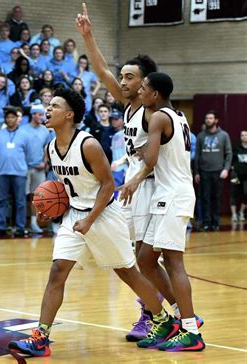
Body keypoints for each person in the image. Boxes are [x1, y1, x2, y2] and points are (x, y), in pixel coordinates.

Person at [8, 88, 170, 357]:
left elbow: (108, 186)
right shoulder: (50, 147)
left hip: (104, 214)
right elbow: (61, 187)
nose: (48, 110)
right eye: (48, 106)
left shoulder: (88, 144)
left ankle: (164, 321)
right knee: (58, 271)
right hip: (75, 215)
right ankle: (41, 337)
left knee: (127, 272)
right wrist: (46, 210)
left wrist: (89, 220)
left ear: (69, 115)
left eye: (55, 106)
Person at [76, 3, 167, 342]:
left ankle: (166, 316)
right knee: (127, 256)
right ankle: (155, 313)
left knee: (145, 260)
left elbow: (156, 156)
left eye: (130, 77)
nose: (123, 82)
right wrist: (88, 36)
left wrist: (138, 175)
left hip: (150, 189)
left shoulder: (152, 111)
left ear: (146, 83)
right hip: (130, 190)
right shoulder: (130, 106)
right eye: (124, 76)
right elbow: (102, 73)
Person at [125, 72, 205, 351]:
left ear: (155, 94)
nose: (140, 92)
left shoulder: (158, 118)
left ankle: (191, 330)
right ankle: (177, 319)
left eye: (144, 88)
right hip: (166, 195)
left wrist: (140, 153)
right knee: (145, 259)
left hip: (174, 195)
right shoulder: (179, 116)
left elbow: (150, 158)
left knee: (174, 263)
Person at [0, 107, 32, 238]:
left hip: (19, 172)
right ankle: (1, 226)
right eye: (8, 117)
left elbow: (28, 153)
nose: (10, 119)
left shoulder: (24, 134)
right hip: (2, 172)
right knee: (1, 200)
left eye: (13, 117)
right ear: (5, 119)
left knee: (20, 201)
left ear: (17, 119)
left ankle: (20, 227)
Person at [194, 110, 232, 231]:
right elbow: (197, 156)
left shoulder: (223, 135)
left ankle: (216, 222)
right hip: (204, 172)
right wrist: (196, 172)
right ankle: (206, 222)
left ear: (216, 120)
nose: (208, 120)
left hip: (218, 172)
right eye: (207, 118)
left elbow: (229, 153)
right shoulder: (200, 136)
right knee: (205, 198)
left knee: (216, 198)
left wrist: (226, 169)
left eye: (210, 118)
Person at [21, 100, 51, 234]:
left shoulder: (45, 131)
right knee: (22, 197)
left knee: (36, 197)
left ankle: (34, 223)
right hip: (24, 168)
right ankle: (21, 224)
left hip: (39, 168)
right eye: (39, 114)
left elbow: (47, 148)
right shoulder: (22, 130)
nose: (42, 117)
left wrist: (44, 163)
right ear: (33, 115)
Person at [230, 130, 247, 222]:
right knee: (234, 193)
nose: (244, 136)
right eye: (242, 135)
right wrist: (232, 167)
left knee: (246, 193)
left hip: (246, 176)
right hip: (235, 175)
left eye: (246, 135)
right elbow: (230, 158)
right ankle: (234, 215)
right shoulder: (235, 147)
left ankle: (241, 212)